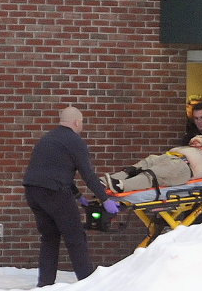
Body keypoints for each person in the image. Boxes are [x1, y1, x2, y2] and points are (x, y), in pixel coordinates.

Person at [22, 106, 120, 287]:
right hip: (54, 192)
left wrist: (78, 196)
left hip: (33, 191)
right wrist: (105, 200)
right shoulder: (75, 141)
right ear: (76, 122)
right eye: (81, 122)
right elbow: (88, 175)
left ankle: (45, 284)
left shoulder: (47, 139)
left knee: (49, 238)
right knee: (76, 237)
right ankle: (89, 284)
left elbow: (54, 171)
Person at [103, 134, 202, 194]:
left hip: (183, 167)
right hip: (172, 157)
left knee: (152, 175)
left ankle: (122, 186)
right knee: (142, 165)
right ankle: (108, 180)